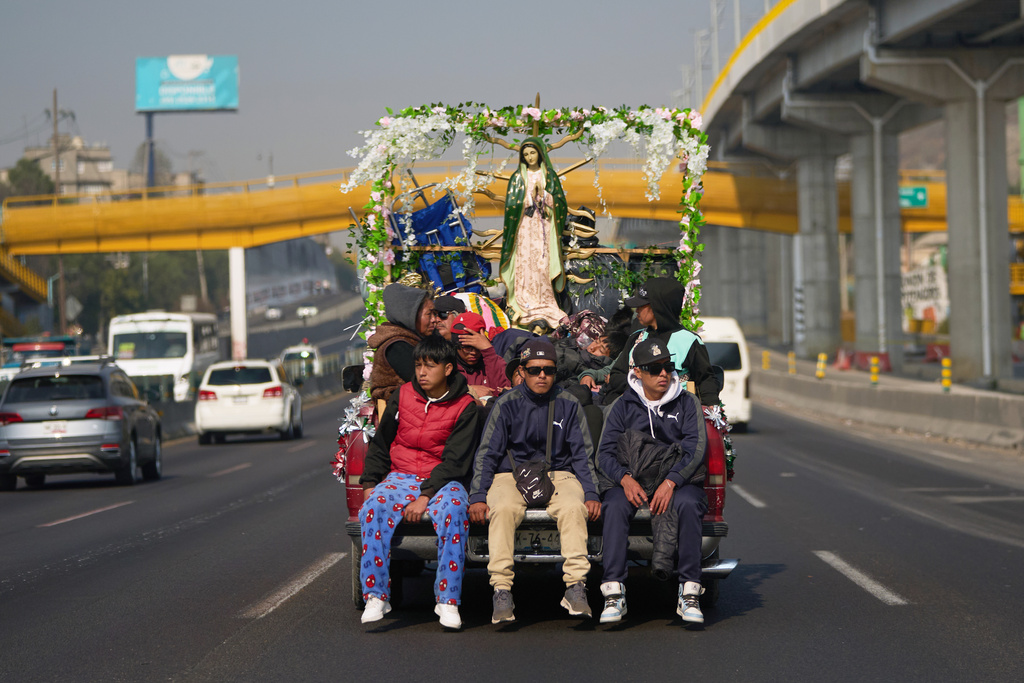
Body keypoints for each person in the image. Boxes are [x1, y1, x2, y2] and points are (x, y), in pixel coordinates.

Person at [469, 339, 602, 623]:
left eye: (549, 370)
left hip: (559, 473)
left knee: (573, 507)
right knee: (502, 509)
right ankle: (502, 590)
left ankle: (576, 586)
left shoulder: (569, 404)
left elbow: (582, 456)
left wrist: (591, 493)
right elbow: (487, 454)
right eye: (534, 370)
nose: (542, 376)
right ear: (522, 372)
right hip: (510, 475)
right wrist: (478, 496)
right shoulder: (506, 404)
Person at [358, 335, 479, 629]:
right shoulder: (403, 395)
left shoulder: (466, 406)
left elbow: (455, 461)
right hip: (401, 475)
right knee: (373, 508)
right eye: (418, 365)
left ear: (448, 369)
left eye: (430, 365)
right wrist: (369, 484)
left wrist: (424, 497)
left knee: (454, 512)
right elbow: (381, 443)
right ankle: (376, 595)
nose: (422, 372)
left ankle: (447, 601)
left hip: (443, 479)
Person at [596, 338, 708, 625]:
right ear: (637, 372)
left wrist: (671, 482)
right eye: (654, 368)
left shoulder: (687, 402)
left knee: (689, 504)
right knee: (615, 505)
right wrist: (624, 479)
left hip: (676, 481)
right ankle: (614, 592)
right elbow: (604, 454)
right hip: (633, 479)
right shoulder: (623, 406)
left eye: (667, 367)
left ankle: (689, 591)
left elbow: (696, 449)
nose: (663, 374)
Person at [604, 277, 721, 406]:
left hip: (677, 413)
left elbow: (706, 380)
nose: (636, 310)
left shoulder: (689, 341)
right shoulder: (636, 338)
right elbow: (616, 375)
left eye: (641, 305)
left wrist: (710, 409)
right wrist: (645, 388)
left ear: (657, 307)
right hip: (636, 412)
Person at [366, 283, 438, 402]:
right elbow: (428, 383)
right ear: (410, 315)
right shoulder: (396, 346)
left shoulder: (413, 339)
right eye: (429, 314)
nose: (434, 320)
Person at [450, 311, 511, 401]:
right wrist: (469, 390)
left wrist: (488, 352)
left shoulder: (494, 360)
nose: (474, 352)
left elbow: (502, 394)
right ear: (456, 346)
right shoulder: (447, 366)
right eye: (467, 348)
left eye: (478, 348)